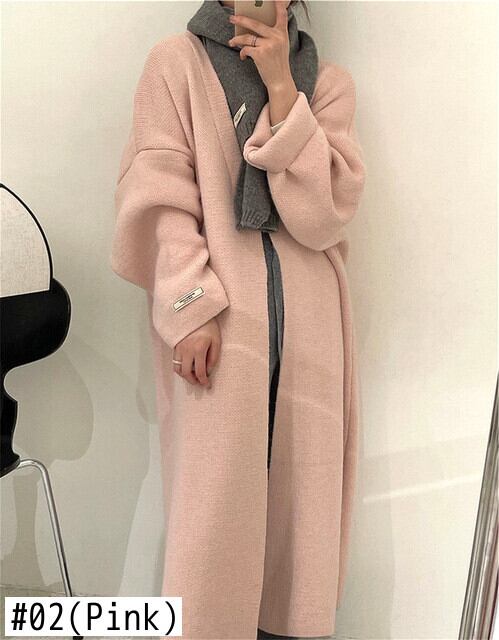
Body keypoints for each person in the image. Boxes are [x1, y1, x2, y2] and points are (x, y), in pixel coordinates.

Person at [110, 1, 366, 638]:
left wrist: (282, 87)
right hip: (222, 325)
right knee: (215, 513)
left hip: (312, 332)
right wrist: (189, 305)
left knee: (300, 518)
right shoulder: (176, 64)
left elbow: (323, 217)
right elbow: (160, 194)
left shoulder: (326, 84)